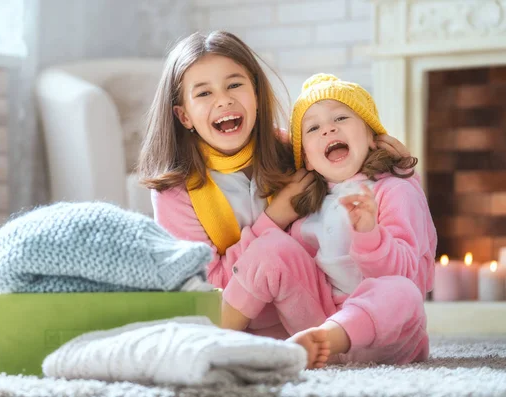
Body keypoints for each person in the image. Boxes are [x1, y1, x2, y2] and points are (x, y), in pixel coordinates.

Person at [140, 30, 413, 342]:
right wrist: (274, 218)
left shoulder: (289, 147)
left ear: (256, 94)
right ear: (184, 115)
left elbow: (348, 171)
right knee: (274, 252)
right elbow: (208, 284)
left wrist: (392, 161)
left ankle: (335, 336)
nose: (224, 99)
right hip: (241, 327)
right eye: (204, 93)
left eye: (234, 84)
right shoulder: (174, 190)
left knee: (400, 293)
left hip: (313, 310)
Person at [221, 73, 437, 369]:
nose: (328, 129)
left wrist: (369, 233)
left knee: (404, 292)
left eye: (341, 118)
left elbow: (408, 275)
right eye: (313, 127)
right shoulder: (308, 204)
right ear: (307, 159)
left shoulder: (394, 190)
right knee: (272, 248)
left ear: (372, 137)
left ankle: (324, 339)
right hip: (317, 322)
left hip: (385, 338)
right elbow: (291, 276)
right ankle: (216, 336)